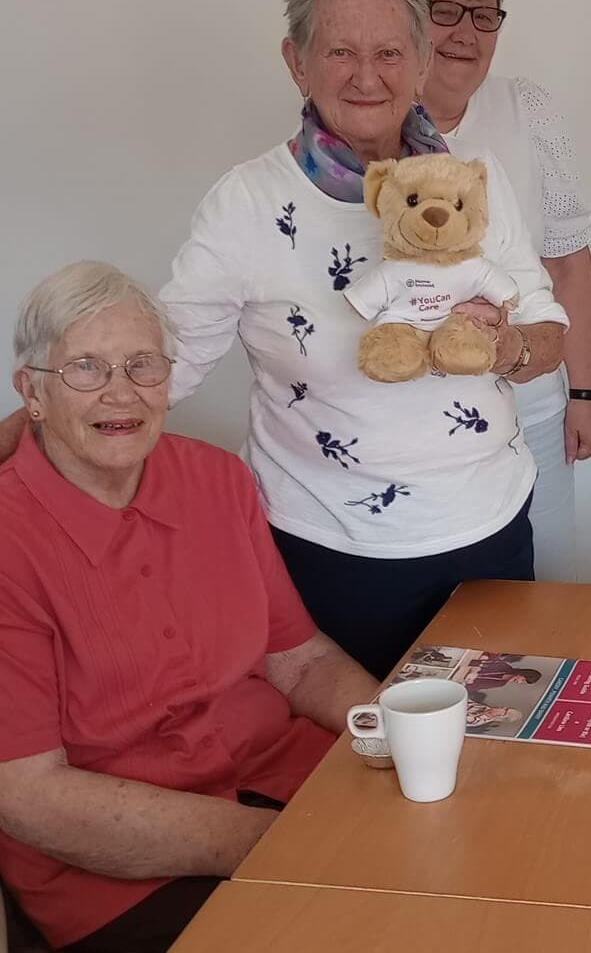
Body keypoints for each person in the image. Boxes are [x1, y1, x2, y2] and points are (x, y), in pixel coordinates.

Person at [159, 0, 568, 679]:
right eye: (340, 52)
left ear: (419, 62)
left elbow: (548, 330)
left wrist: (507, 347)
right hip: (326, 550)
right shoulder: (246, 204)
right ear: (298, 61)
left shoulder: (472, 182)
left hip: (488, 531)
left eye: (387, 52)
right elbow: (161, 368)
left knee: (492, 770)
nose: (366, 76)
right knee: (344, 772)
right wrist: (40, 426)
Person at [0, 262, 381, 952]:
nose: (123, 392)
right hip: (121, 873)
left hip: (287, 786)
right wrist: (283, 847)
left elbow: (300, 661)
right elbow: (29, 795)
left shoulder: (219, 481)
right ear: (32, 393)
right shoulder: (8, 541)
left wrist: (397, 735)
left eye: (143, 365)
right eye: (85, 368)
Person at [407, 0, 591, 584]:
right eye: (444, 10)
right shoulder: (366, 124)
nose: (467, 32)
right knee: (450, 592)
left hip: (533, 404)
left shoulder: (529, 111)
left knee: (549, 582)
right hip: (415, 423)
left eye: (484, 14)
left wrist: (584, 391)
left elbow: (568, 262)